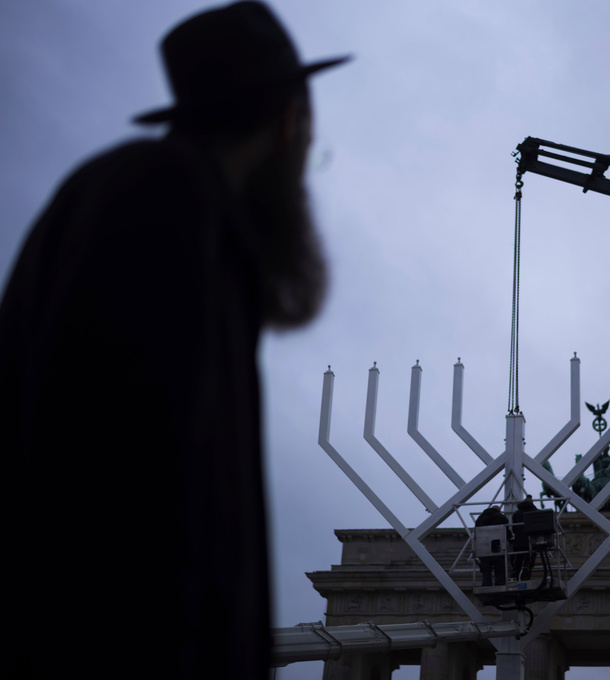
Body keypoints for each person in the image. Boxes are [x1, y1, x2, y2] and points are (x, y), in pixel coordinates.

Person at [0, 3, 350, 677]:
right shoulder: (166, 199)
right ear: (289, 125)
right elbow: (142, 499)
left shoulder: (148, 198)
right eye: (311, 140)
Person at [474, 505, 510, 587]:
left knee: (486, 569)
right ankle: (500, 583)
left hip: (483, 547)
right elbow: (506, 531)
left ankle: (486, 584)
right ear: (498, 510)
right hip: (497, 547)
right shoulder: (502, 518)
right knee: (499, 568)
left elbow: (477, 531)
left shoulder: (480, 519)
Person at [511, 495, 539, 580]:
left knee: (516, 562)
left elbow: (514, 529)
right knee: (529, 562)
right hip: (531, 542)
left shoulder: (516, 513)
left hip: (518, 542)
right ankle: (525, 577)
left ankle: (514, 578)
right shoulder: (536, 512)